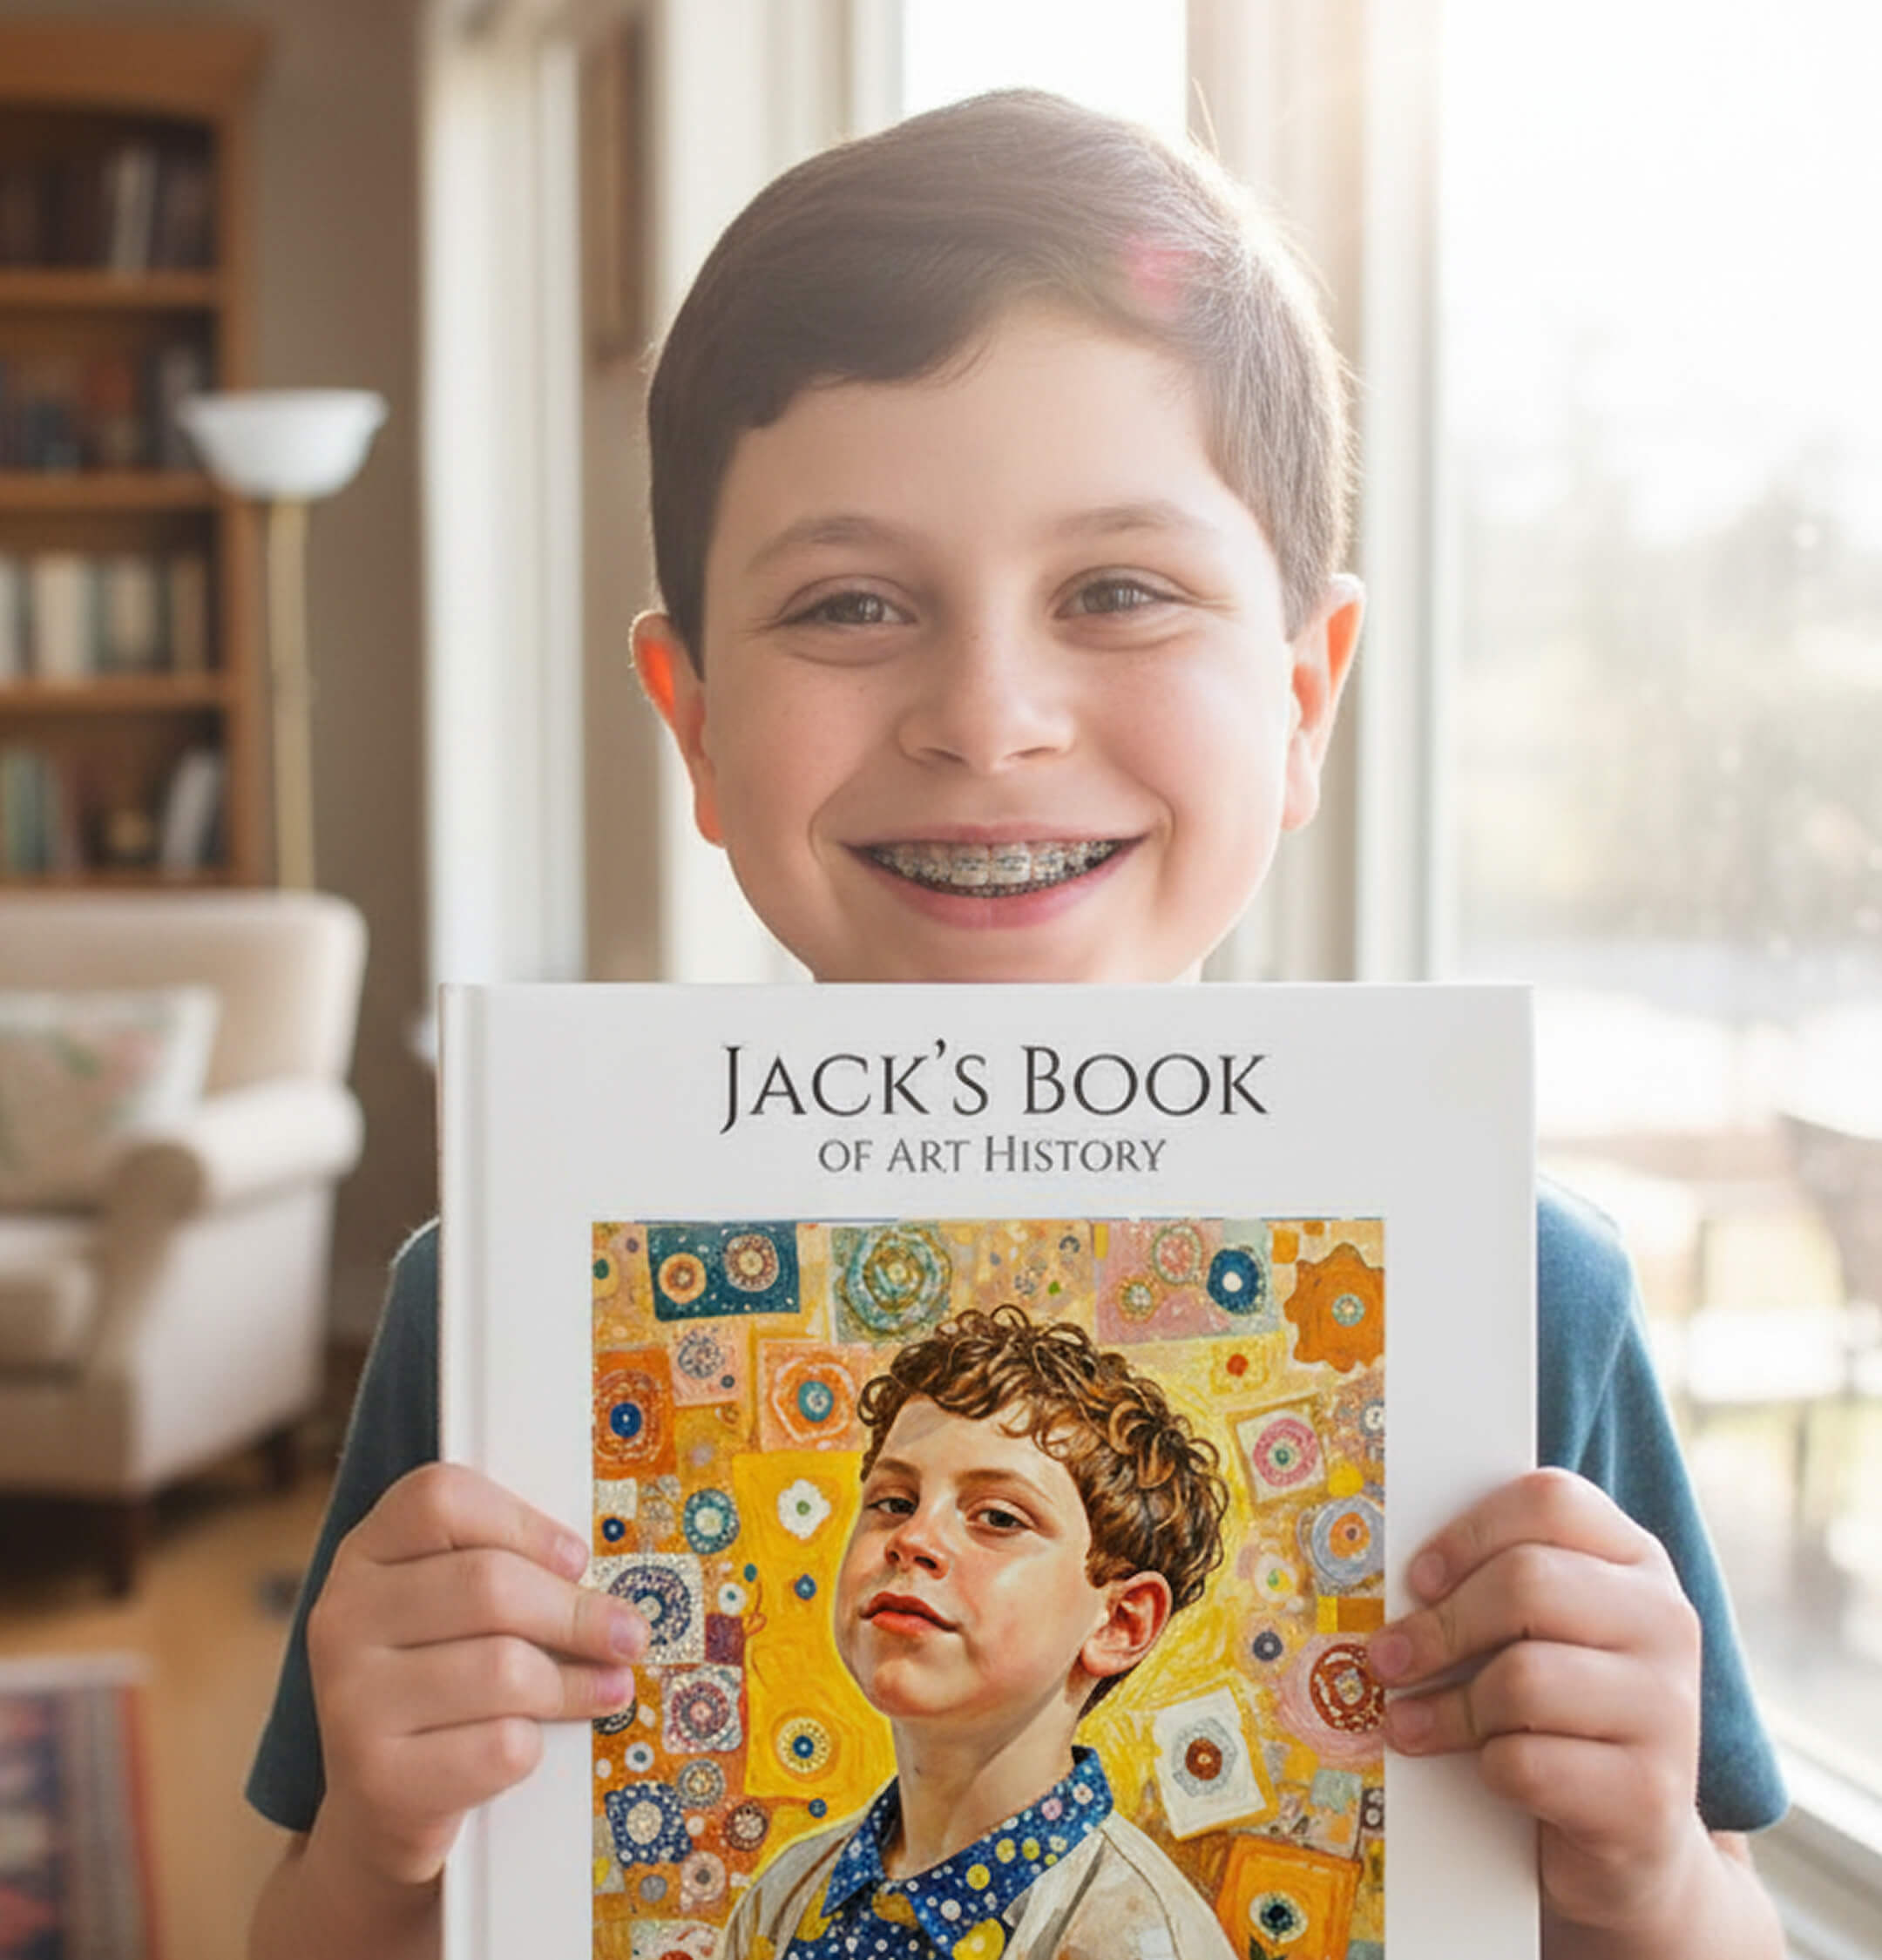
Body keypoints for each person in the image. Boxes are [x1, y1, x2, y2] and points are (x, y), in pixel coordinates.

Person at [247, 89, 1789, 1960]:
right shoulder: (498, 1294)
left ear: (1305, 701)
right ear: (698, 725)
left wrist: (1647, 1876)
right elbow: (330, 1929)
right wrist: (380, 1858)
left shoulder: (1523, 1300)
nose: (989, 717)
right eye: (851, 601)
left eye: (1119, 592)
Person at [721, 1305, 1235, 1960]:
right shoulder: (783, 1899)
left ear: (1119, 1621)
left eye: (996, 1516)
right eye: (894, 1503)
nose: (912, 1539)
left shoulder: (1139, 1940)